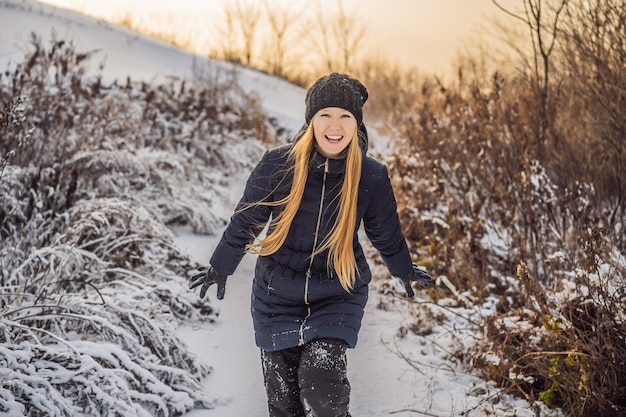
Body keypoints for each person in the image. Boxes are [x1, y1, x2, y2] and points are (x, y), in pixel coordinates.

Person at [190, 72, 432, 417]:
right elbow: (247, 220)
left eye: (345, 116)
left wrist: (403, 269)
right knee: (284, 403)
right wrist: (221, 266)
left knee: (322, 387)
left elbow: (385, 232)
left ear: (356, 124)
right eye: (326, 115)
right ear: (311, 121)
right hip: (275, 295)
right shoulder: (278, 164)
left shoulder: (370, 174)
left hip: (338, 291)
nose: (335, 125)